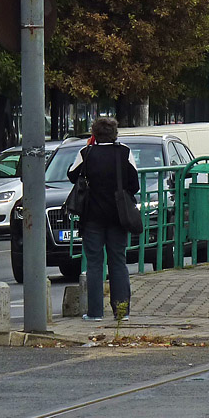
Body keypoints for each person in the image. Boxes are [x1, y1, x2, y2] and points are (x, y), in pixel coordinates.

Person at [66, 117, 139, 322]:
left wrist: (89, 148)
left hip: (92, 217)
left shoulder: (86, 153)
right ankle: (121, 311)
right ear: (115, 133)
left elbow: (72, 175)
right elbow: (134, 184)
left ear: (94, 134)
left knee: (95, 263)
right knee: (118, 261)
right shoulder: (124, 152)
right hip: (118, 216)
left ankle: (95, 312)